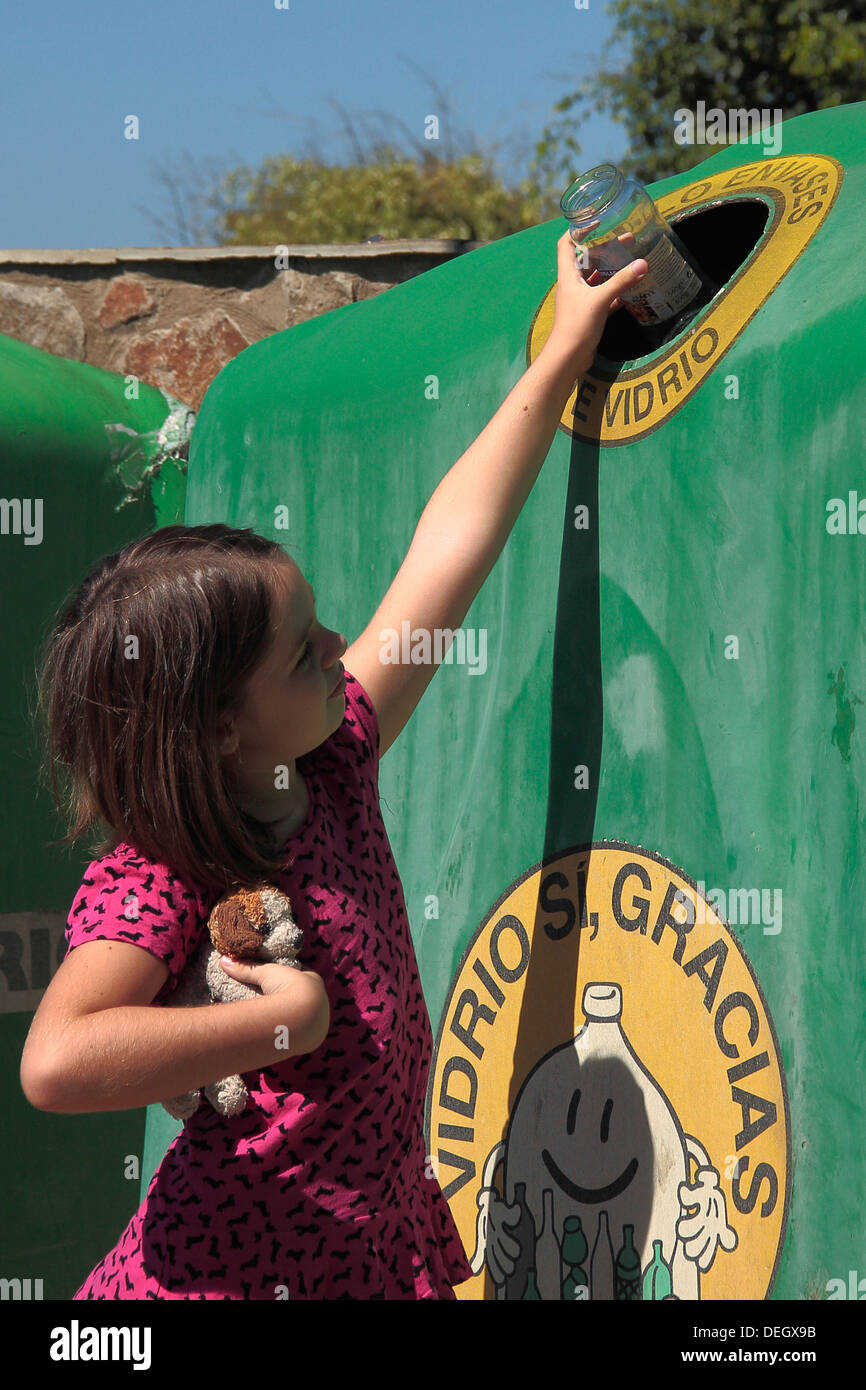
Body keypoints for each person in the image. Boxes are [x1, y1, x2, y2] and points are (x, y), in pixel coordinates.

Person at [20, 234, 648, 1300]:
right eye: (301, 646)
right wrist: (282, 1022)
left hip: (365, 1249)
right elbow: (57, 1061)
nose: (339, 645)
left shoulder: (336, 756)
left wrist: (558, 354)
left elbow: (446, 552)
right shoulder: (165, 865)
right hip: (226, 1278)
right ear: (218, 728)